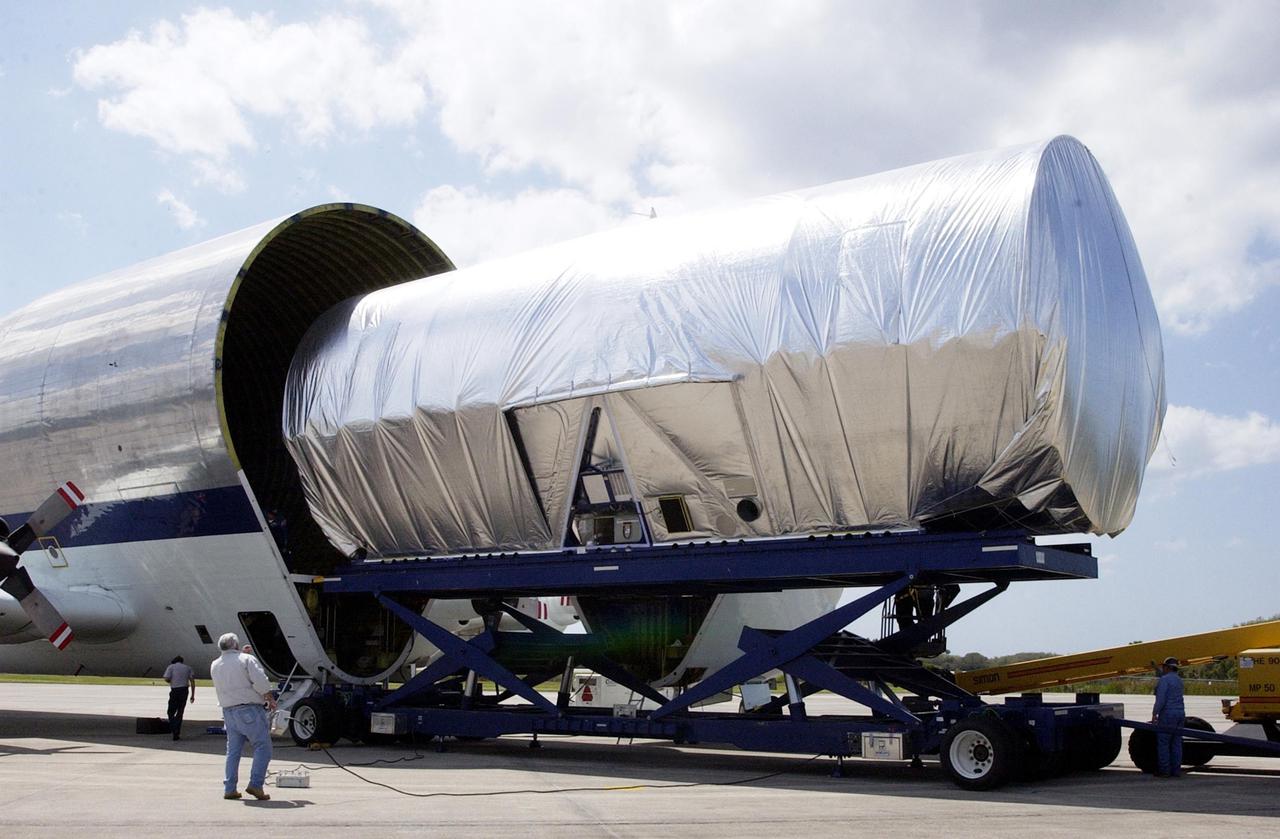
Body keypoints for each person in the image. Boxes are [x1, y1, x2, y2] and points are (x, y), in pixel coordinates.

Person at [210, 632, 278, 800]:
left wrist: (243, 655)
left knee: (233, 751)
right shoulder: (247, 660)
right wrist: (269, 696)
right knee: (263, 747)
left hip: (228, 712)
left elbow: (234, 675)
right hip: (248, 710)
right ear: (235, 645)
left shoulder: (215, 664)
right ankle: (255, 785)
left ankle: (230, 788)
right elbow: (260, 680)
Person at [1151, 655, 1186, 778]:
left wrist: (1154, 713)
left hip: (1168, 714)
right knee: (1176, 743)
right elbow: (1164, 677)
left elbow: (1161, 700)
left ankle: (1164, 770)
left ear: (1167, 667)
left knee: (1164, 742)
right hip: (1180, 714)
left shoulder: (1164, 680)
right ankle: (1176, 770)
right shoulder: (1178, 680)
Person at [162, 655, 196, 741]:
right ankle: (177, 730)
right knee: (180, 712)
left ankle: (174, 728)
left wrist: (170, 681)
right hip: (184, 691)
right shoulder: (188, 668)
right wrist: (192, 695)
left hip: (175, 690)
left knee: (170, 712)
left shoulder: (171, 667)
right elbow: (192, 681)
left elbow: (166, 678)